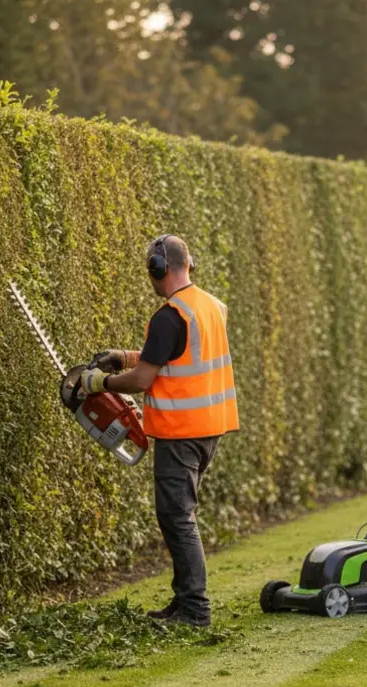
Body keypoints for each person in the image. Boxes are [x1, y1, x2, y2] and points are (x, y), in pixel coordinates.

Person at [79, 235, 239, 627]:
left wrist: (100, 383)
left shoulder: (168, 316)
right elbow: (176, 354)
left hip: (181, 430)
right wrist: (125, 356)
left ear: (157, 268)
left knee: (177, 517)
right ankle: (183, 601)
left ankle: (195, 609)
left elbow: (144, 379)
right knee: (177, 515)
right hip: (210, 427)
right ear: (188, 264)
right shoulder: (210, 306)